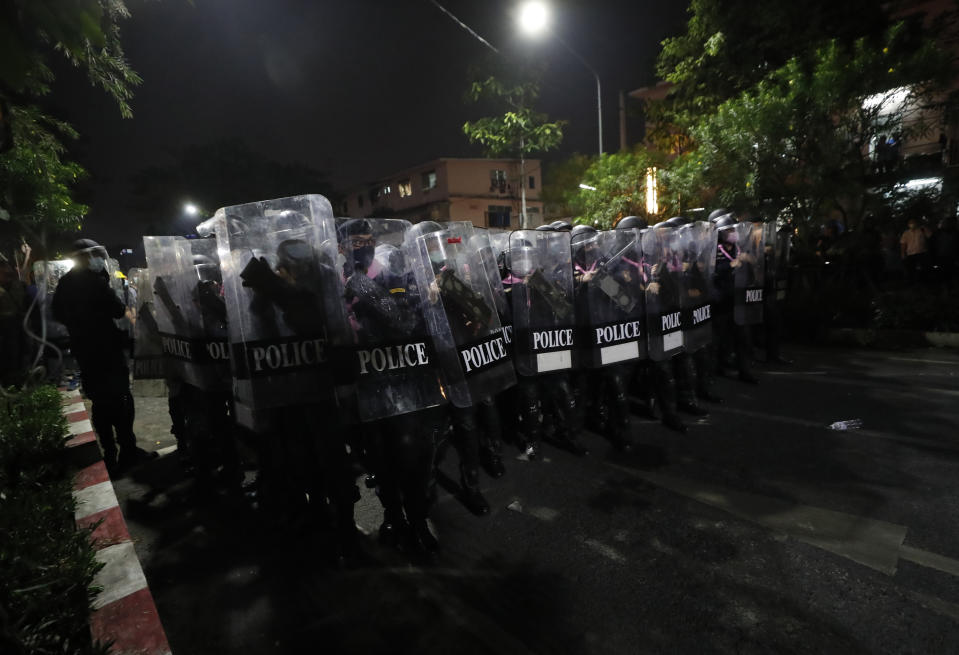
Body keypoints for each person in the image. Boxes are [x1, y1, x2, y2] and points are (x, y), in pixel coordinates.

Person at [52, 239, 154, 474]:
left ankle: (110, 454)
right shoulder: (94, 282)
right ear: (86, 257)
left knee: (99, 402)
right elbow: (118, 309)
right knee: (122, 401)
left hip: (85, 352)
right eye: (96, 254)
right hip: (107, 351)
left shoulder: (65, 282)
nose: (100, 259)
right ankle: (128, 452)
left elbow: (56, 313)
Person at [900, 217, 933, 284]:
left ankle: (924, 282)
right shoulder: (906, 233)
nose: (912, 224)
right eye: (910, 223)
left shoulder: (922, 230)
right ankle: (912, 283)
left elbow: (930, 237)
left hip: (922, 252)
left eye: (913, 222)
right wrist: (903, 253)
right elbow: (903, 243)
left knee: (924, 269)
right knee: (911, 269)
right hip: (910, 254)